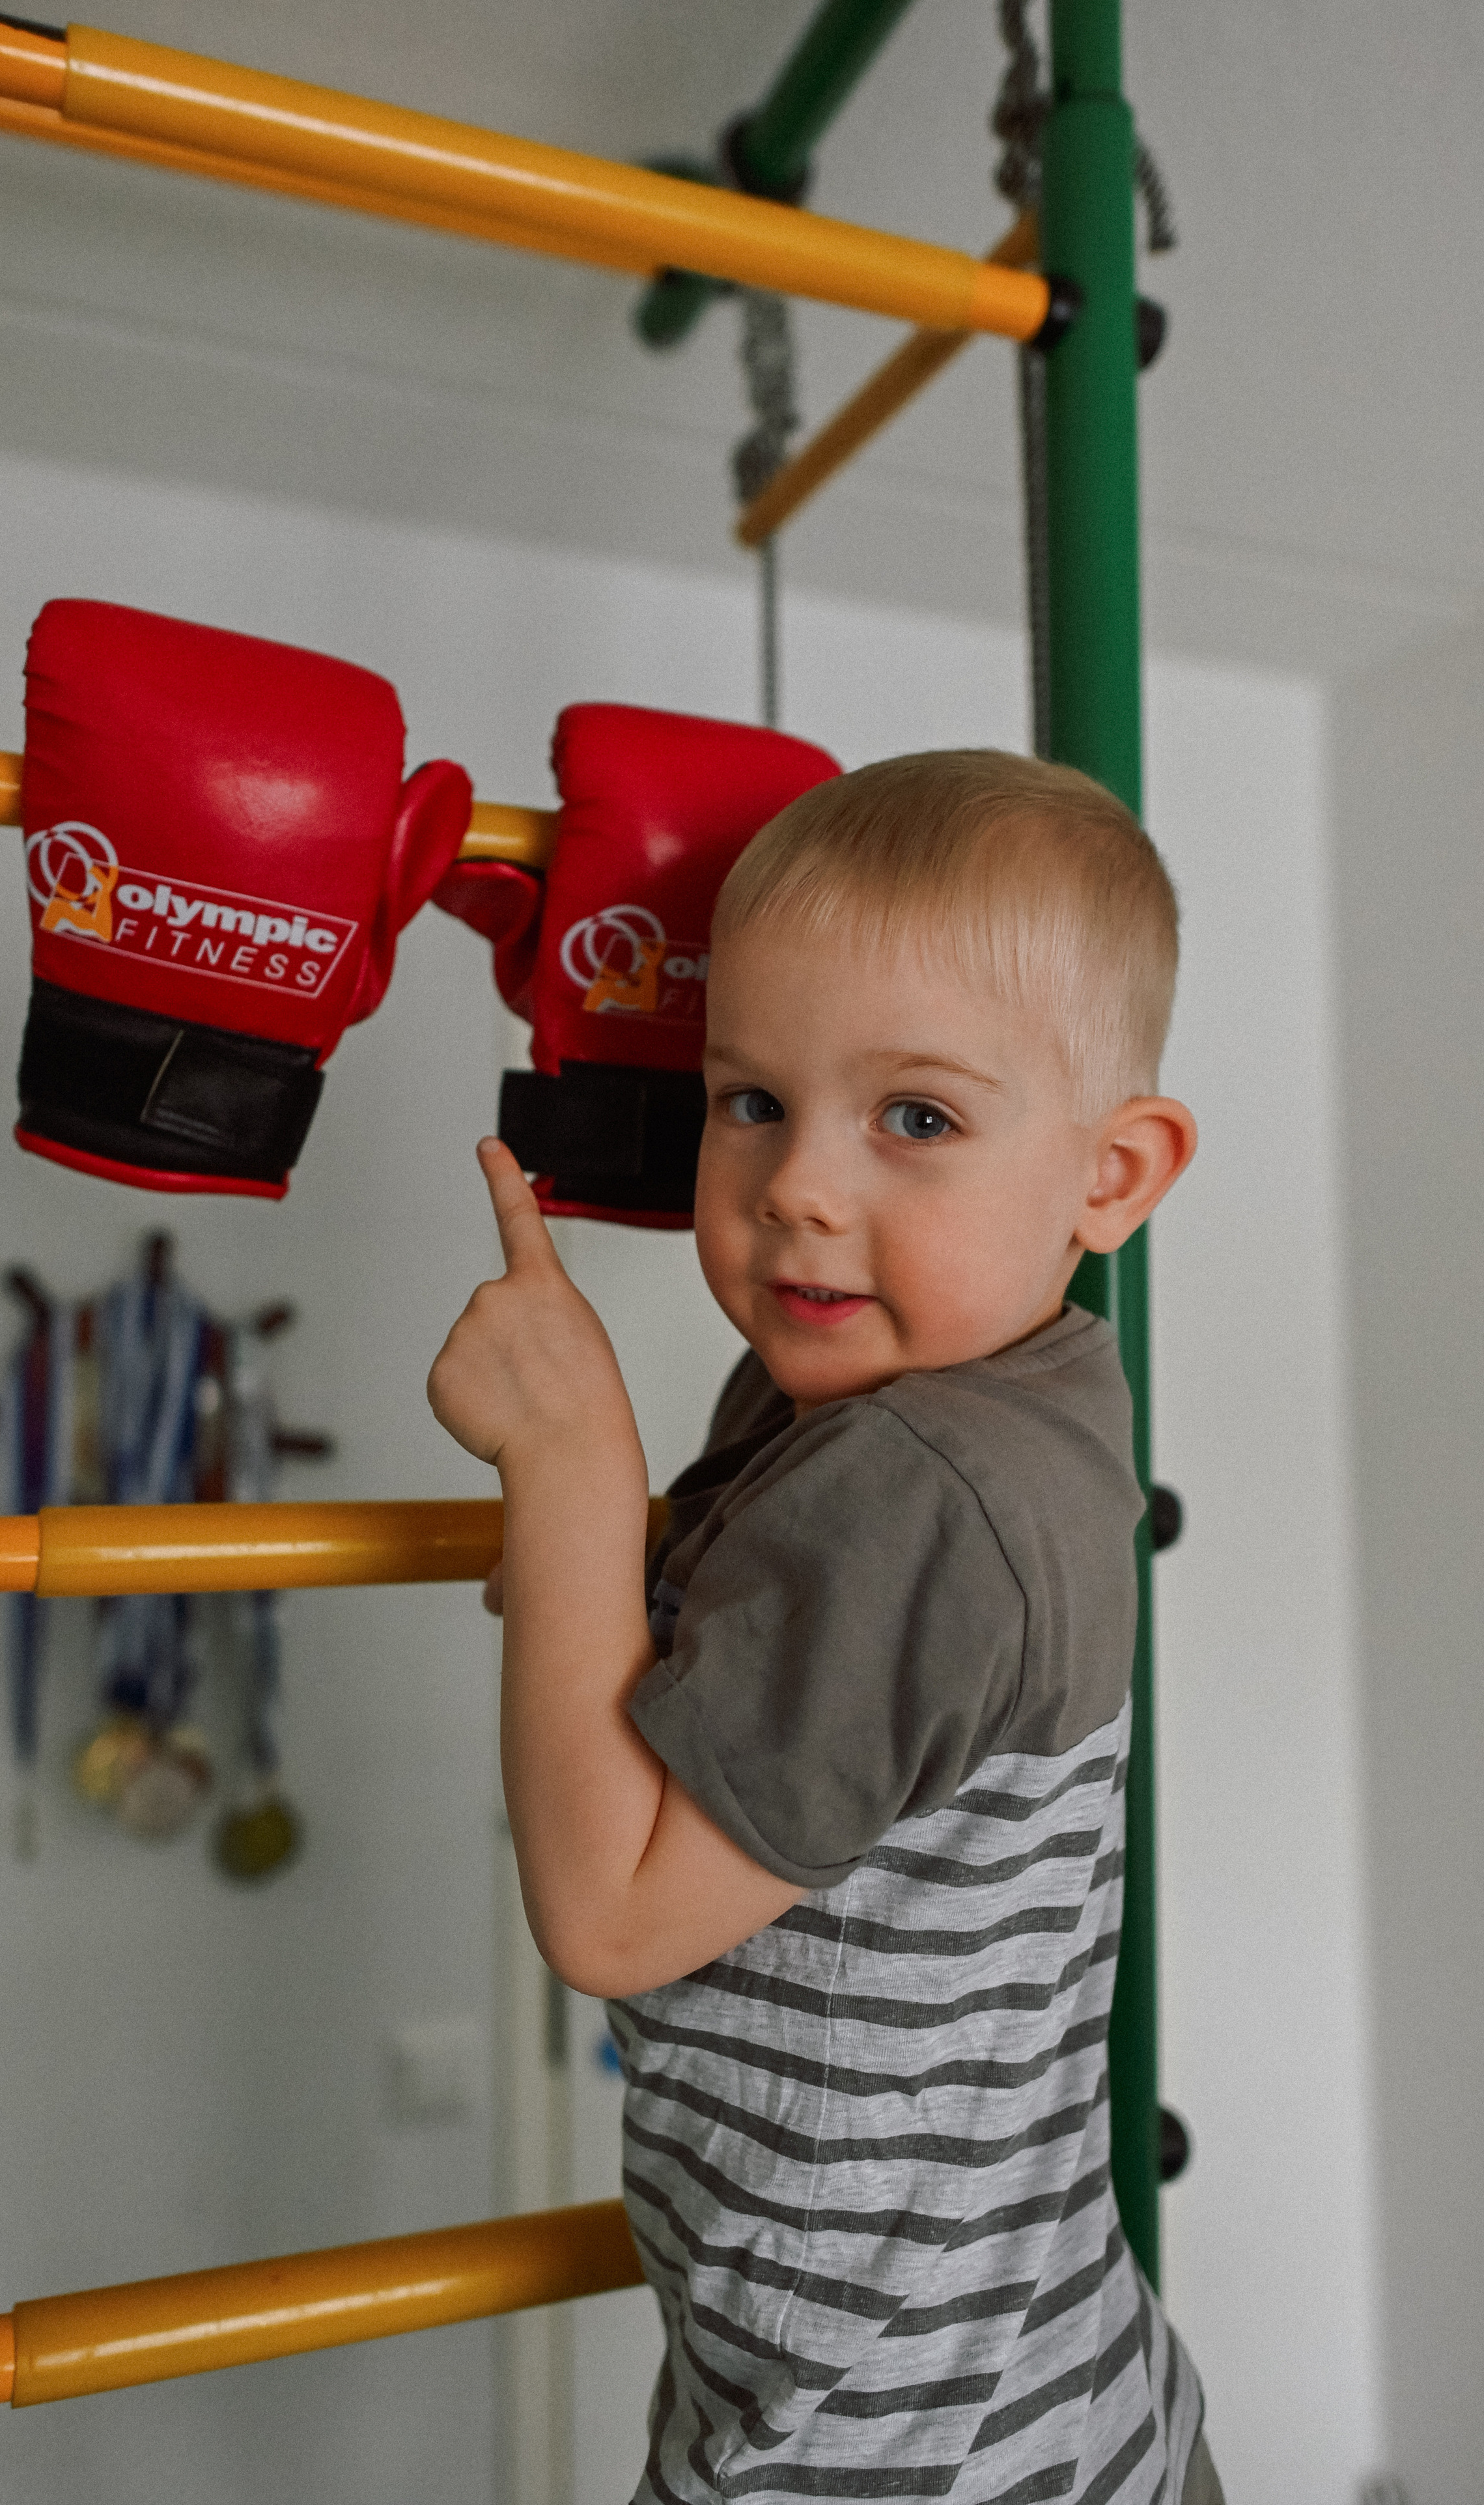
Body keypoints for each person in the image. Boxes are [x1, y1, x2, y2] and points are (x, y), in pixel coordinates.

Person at [428, 749, 1222, 2504]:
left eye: (916, 1119)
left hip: (899, 2448)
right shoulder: (943, 1415)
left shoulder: (929, 1484)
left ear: (1113, 1176)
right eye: (750, 1101)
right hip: (962, 2384)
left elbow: (613, 1912)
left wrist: (569, 1454)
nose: (795, 1186)